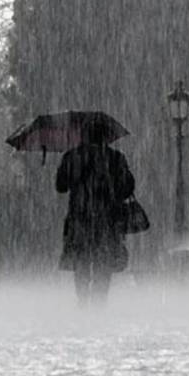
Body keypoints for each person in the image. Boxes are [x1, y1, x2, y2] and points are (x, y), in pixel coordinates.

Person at [55, 122, 136, 306]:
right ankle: (100, 302)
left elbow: (60, 187)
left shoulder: (72, 157)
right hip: (107, 219)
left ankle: (83, 300)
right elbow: (127, 189)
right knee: (103, 263)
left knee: (81, 262)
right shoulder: (115, 158)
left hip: (79, 218)